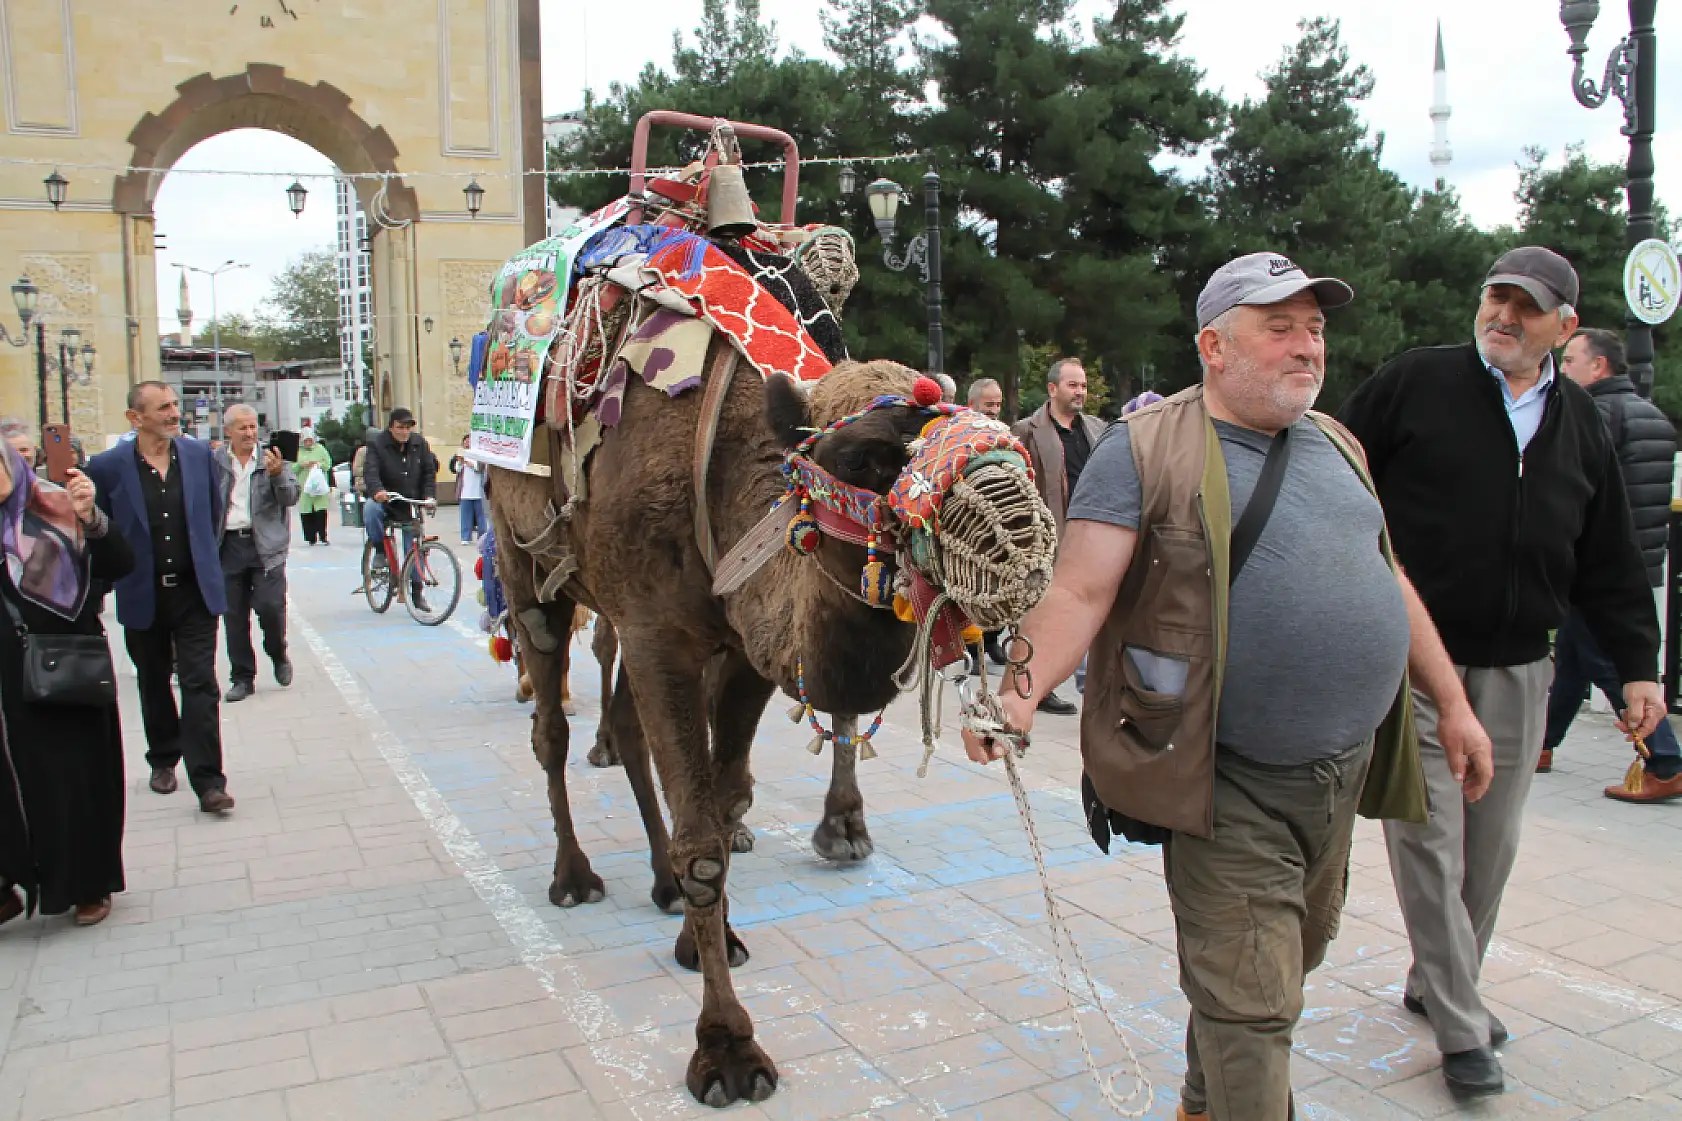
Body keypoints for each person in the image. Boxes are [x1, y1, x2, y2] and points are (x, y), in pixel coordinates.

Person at [964, 251, 1482, 1121]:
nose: (1307, 347)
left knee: (1292, 953)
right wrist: (1015, 694)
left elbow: (1386, 577)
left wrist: (1454, 704)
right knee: (1254, 998)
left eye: (1314, 329)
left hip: (1340, 772)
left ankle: (1201, 1101)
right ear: (1214, 344)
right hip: (1224, 776)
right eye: (1279, 328)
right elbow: (1081, 587)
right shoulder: (1144, 447)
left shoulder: (1338, 441)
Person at [1339, 247, 1662, 1100]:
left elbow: (1612, 561)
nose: (1504, 317)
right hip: (1412, 658)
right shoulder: (1417, 383)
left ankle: (1439, 977)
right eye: (1495, 297)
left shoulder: (1584, 423)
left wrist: (1638, 666)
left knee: (1493, 847)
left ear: (1565, 325)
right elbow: (1332, 469)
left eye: (1526, 306)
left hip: (1522, 666)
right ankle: (1459, 1020)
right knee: (1428, 838)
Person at [1545, 327, 1682, 801]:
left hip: (1598, 570)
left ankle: (1665, 760)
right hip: (1640, 559)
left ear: (1597, 367)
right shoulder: (1654, 417)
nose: (1561, 371)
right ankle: (1542, 744)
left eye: (1569, 362)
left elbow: (1579, 494)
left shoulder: (1595, 414)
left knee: (1610, 665)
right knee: (1573, 659)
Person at [85, 382, 235, 814]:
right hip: (142, 591)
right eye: (163, 407)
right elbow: (101, 531)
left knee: (200, 683)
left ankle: (208, 781)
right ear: (135, 418)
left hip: (194, 592)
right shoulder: (108, 467)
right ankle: (163, 757)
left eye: (174, 405)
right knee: (153, 682)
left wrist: (204, 564)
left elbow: (212, 515)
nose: (174, 413)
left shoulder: (197, 457)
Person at [0, 442, 133, 928]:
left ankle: (87, 884)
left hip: (64, 671)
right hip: (5, 683)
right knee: (13, 786)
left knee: (71, 780)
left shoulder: (56, 509)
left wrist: (91, 517)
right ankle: (10, 882)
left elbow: (120, 563)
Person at [1013, 357, 1107, 715]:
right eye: (1073, 385)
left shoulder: (1098, 428)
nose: (1080, 391)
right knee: (1039, 613)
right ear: (1053, 389)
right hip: (1047, 537)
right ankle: (1031, 684)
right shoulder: (1026, 430)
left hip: (1093, 534)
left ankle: (1093, 681)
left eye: (1083, 385)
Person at [214, 404, 299, 703]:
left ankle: (278, 653)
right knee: (233, 617)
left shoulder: (272, 458)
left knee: (270, 608)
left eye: (253, 427)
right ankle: (242, 677)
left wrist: (277, 475)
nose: (250, 433)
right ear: (228, 431)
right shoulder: (214, 462)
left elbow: (290, 497)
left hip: (266, 547)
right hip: (228, 547)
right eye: (242, 428)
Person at [362, 407, 438, 611]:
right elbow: (371, 470)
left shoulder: (419, 443)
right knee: (370, 509)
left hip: (409, 500)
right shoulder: (378, 444)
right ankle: (379, 549)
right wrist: (378, 491)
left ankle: (416, 592)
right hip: (387, 500)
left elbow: (429, 472)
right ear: (390, 427)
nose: (404, 432)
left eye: (407, 428)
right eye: (399, 428)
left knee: (414, 546)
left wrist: (429, 496)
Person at [294, 431, 334, 546]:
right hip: (304, 486)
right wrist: (301, 465)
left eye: (309, 440)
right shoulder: (298, 451)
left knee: (321, 511)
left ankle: (323, 535)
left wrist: (318, 464)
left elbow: (328, 464)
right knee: (306, 511)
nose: (308, 443)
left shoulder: (320, 449)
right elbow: (292, 468)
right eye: (305, 441)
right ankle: (310, 537)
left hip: (319, 486)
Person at [449, 435, 487, 546]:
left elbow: (479, 468)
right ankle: (465, 537)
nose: (467, 443)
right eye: (466, 441)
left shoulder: (478, 455)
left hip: (478, 492)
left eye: (470, 441)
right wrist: (460, 461)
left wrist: (466, 462)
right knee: (465, 516)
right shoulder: (459, 455)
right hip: (465, 492)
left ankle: (482, 537)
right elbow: (455, 469)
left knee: (481, 517)